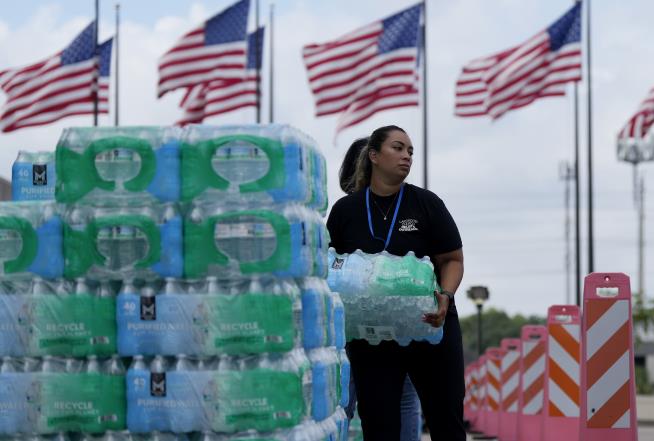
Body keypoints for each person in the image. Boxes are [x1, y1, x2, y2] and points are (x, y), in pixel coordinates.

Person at [327, 125, 465, 441]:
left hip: (429, 325)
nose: (406, 156)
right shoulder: (346, 210)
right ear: (374, 156)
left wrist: (445, 294)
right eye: (398, 148)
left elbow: (452, 260)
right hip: (372, 336)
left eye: (410, 151)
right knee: (379, 424)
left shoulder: (426, 203)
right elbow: (332, 268)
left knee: (446, 418)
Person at [339, 136, 423, 441]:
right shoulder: (401, 212)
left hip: (355, 330)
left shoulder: (344, 214)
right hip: (391, 328)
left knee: (342, 402)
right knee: (400, 400)